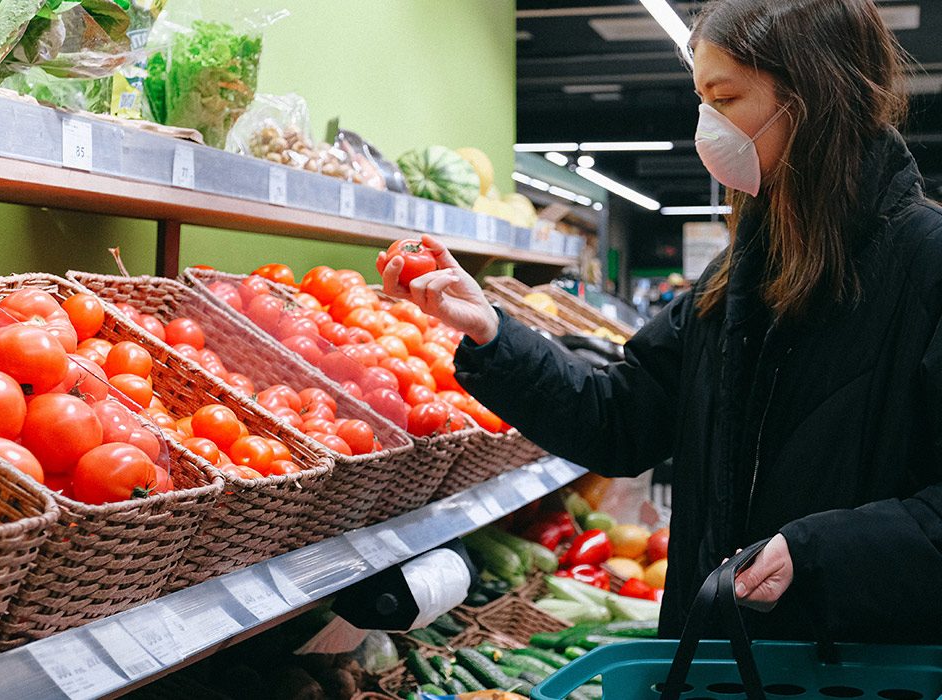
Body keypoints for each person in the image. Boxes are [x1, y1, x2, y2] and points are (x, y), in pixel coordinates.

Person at [379, 0, 942, 644]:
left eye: (725, 98)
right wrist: (491, 332)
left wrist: (822, 553)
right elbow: (621, 419)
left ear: (816, 101)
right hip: (719, 662)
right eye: (700, 99)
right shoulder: (738, 277)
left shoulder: (928, 270)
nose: (707, 125)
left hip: (862, 673)